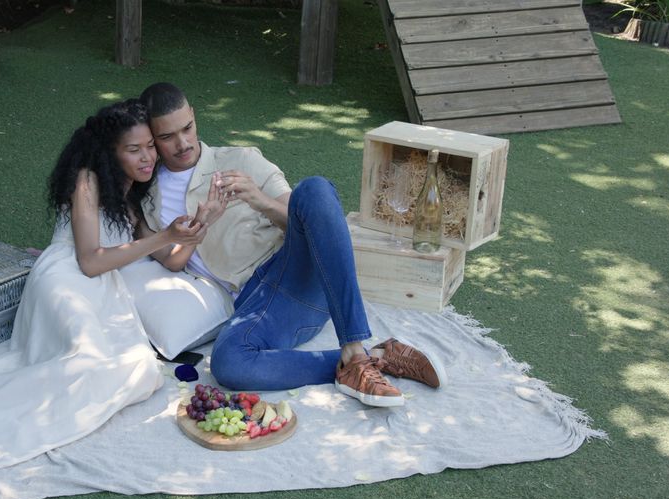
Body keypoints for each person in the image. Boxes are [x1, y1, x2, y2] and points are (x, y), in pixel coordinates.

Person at [0, 99, 205, 468]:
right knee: (85, 364)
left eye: (149, 146)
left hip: (105, 291)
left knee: (139, 372)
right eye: (134, 149)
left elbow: (173, 262)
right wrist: (163, 238)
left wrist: (197, 228)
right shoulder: (87, 179)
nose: (147, 156)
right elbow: (90, 260)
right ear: (109, 153)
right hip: (65, 279)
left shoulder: (131, 197)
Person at [137, 82, 444, 408]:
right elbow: (171, 260)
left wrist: (259, 200)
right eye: (167, 137)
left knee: (314, 189)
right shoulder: (148, 202)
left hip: (298, 272)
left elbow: (306, 218)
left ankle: (354, 346)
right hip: (259, 306)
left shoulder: (241, 158)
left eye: (187, 128)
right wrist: (203, 224)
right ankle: (376, 357)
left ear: (195, 117)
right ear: (151, 140)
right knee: (228, 362)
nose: (183, 143)